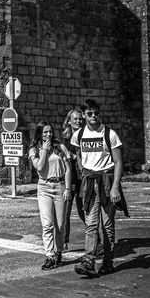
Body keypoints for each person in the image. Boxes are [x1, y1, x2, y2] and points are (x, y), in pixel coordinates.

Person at [72, 98, 127, 278]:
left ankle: (108, 261)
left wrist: (115, 188)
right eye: (90, 114)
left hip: (106, 181)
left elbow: (118, 162)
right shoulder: (79, 135)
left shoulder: (110, 134)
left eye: (96, 113)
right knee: (91, 223)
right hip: (89, 183)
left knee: (107, 225)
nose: (93, 116)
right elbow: (77, 155)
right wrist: (82, 169)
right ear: (84, 115)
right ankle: (88, 260)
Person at [28, 119, 72, 271]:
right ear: (40, 133)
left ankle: (59, 251)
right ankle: (50, 255)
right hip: (44, 187)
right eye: (45, 132)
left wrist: (67, 188)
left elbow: (68, 168)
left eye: (50, 131)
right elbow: (39, 168)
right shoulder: (34, 149)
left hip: (59, 185)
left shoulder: (60, 147)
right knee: (47, 224)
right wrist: (45, 150)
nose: (48, 134)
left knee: (60, 225)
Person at [61, 106, 86, 250]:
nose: (78, 121)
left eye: (80, 119)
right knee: (66, 212)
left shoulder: (86, 136)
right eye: (75, 119)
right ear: (69, 121)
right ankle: (63, 242)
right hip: (70, 179)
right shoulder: (66, 138)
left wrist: (76, 157)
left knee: (85, 212)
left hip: (82, 178)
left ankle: (97, 241)